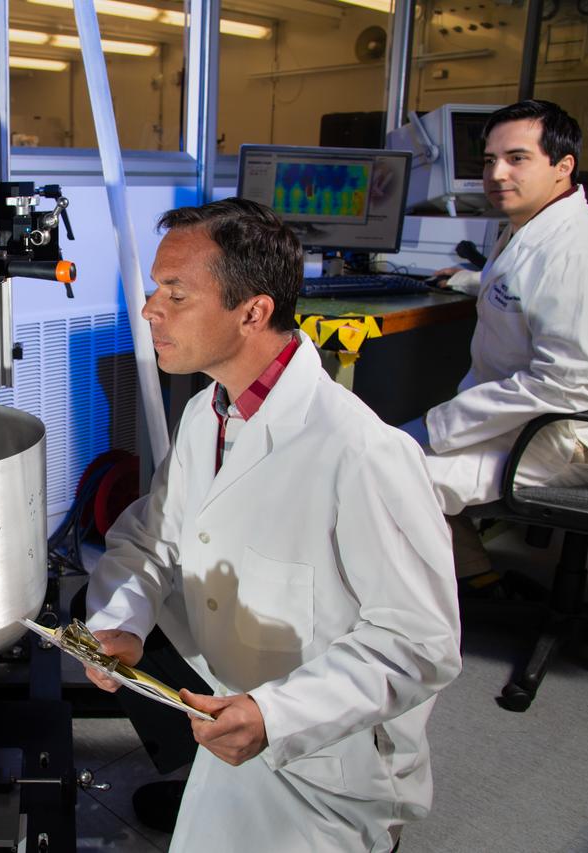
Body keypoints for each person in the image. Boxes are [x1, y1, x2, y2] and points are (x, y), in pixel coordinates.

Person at [83, 197, 462, 851]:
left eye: (175, 293)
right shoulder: (208, 412)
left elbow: (420, 642)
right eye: (155, 289)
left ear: (253, 312)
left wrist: (275, 714)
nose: (149, 309)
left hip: (329, 759)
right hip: (233, 714)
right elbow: (153, 536)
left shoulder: (362, 452)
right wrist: (122, 621)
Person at [404, 100, 588, 585]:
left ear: (563, 165)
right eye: (490, 160)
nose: (497, 173)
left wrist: (439, 426)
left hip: (563, 440)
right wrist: (471, 280)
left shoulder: (575, 254)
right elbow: (523, 286)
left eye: (517, 158)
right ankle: (477, 581)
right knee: (388, 454)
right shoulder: (536, 224)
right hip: (524, 422)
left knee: (388, 475)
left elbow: (566, 384)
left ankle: (424, 610)